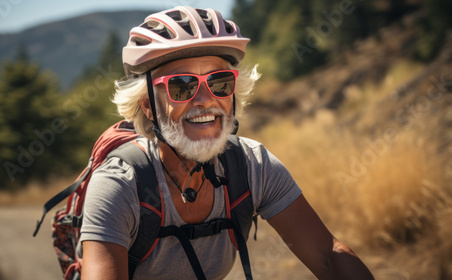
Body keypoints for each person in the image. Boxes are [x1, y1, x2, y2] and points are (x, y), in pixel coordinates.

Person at [80, 6, 374, 280]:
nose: (206, 100)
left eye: (220, 82)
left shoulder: (253, 166)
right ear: (147, 105)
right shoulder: (120, 184)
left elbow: (327, 255)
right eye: (181, 86)